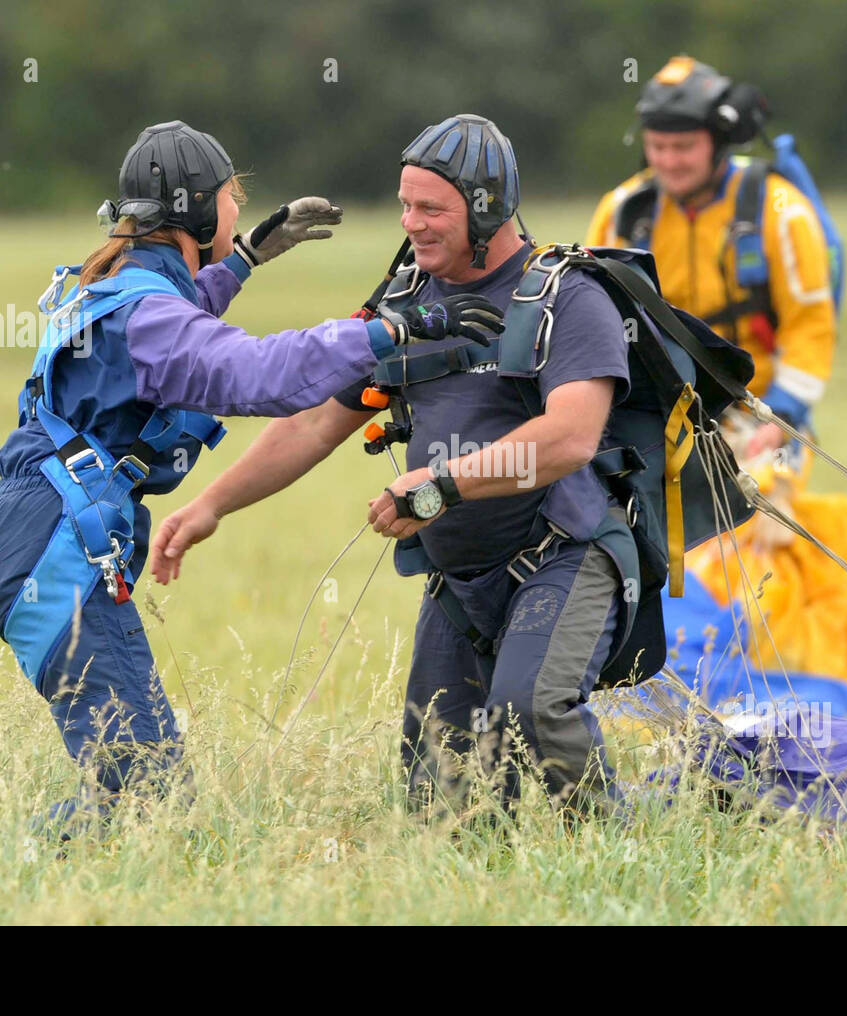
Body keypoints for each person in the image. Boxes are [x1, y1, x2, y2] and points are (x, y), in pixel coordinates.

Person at [0, 120, 501, 839]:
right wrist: (393, 330)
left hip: (31, 536)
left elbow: (171, 326)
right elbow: (258, 374)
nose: (238, 212)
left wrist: (243, 260)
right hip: (54, 555)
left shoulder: (118, 283)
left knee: (145, 785)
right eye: (231, 201)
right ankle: (16, 867)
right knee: (144, 797)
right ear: (196, 209)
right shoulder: (147, 314)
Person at [153, 114, 642, 819]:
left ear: (485, 208)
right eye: (406, 204)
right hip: (459, 581)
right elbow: (318, 420)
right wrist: (210, 506)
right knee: (438, 794)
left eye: (430, 208)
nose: (410, 223)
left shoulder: (569, 296)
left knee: (531, 710)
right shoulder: (407, 300)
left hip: (562, 553)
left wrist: (441, 484)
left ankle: (613, 847)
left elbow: (569, 437)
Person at [587, 55, 837, 548]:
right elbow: (590, 317)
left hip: (758, 419)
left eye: (684, 147)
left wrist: (781, 417)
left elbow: (810, 325)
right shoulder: (622, 214)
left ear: (718, 142)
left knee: (763, 534)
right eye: (657, 147)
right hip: (655, 420)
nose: (669, 161)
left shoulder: (779, 209)